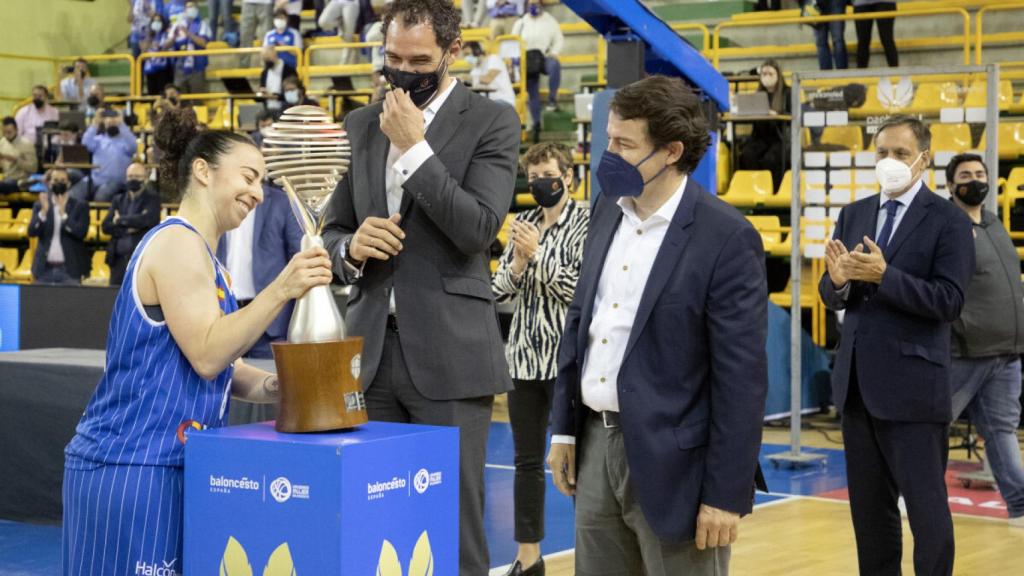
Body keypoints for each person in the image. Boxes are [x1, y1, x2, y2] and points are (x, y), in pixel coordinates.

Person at [60, 107, 333, 576]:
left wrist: (279, 387)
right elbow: (208, 354)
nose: (256, 192)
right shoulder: (177, 244)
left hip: (177, 464)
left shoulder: (212, 262)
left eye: (262, 182)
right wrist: (283, 288)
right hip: (132, 465)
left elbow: (223, 363)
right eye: (248, 176)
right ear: (203, 171)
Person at [320, 1, 521, 573]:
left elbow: (478, 229)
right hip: (368, 351)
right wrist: (349, 248)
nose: (403, 71)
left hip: (450, 354)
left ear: (453, 52)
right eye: (392, 58)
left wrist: (414, 147)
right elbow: (332, 229)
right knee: (370, 522)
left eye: (419, 60)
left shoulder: (492, 121)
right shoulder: (361, 123)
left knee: (451, 528)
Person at [546, 75, 768, 576]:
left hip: (679, 464)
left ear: (670, 151)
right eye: (609, 139)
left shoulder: (726, 237)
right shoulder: (605, 209)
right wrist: (563, 427)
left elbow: (742, 380)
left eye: (624, 144)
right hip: (595, 446)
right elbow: (580, 323)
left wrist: (725, 494)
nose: (609, 154)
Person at [819, 115, 974, 575]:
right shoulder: (855, 212)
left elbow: (949, 301)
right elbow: (834, 293)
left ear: (924, 160)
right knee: (869, 517)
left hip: (912, 392)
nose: (889, 162)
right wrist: (840, 283)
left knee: (927, 517)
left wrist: (887, 278)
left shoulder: (947, 220)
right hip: (856, 390)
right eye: (882, 152)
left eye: (901, 154)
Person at [491, 142, 589, 576]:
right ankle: (527, 557)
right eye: (532, 179)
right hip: (525, 357)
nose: (540, 185)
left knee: (583, 462)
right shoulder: (525, 221)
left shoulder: (586, 221)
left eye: (548, 175)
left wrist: (537, 256)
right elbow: (499, 290)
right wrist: (516, 263)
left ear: (567, 176)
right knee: (526, 461)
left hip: (569, 359)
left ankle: (596, 552)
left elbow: (578, 289)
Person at [945, 153, 1024, 529]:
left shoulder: (994, 223)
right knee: (931, 426)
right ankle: (910, 493)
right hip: (963, 352)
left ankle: (1020, 507)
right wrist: (961, 326)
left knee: (1002, 431)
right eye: (965, 175)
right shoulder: (946, 226)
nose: (974, 180)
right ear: (950, 185)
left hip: (1005, 354)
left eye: (979, 174)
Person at [102, 162, 162, 285]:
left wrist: (119, 220)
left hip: (140, 260)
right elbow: (106, 226)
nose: (133, 180)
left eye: (137, 177)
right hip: (117, 260)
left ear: (145, 179)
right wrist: (132, 226)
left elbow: (149, 220)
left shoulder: (152, 199)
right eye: (130, 176)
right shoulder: (118, 199)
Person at [28, 168, 90, 284]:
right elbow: (32, 231)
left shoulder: (80, 206)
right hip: (43, 269)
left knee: (71, 302)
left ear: (69, 183)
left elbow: (81, 232)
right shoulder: (40, 205)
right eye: (55, 180)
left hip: (70, 269)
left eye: (62, 180)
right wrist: (43, 212)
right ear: (49, 183)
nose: (59, 183)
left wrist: (64, 215)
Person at [512, 0, 562, 141]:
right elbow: (512, 40)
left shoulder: (549, 21)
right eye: (531, 4)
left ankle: (552, 99)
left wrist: (554, 52)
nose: (534, 7)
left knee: (554, 65)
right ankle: (536, 124)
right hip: (527, 60)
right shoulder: (520, 23)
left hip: (543, 56)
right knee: (532, 92)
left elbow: (559, 38)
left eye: (536, 3)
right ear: (527, 6)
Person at [738, 59, 791, 189]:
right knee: (747, 154)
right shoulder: (758, 95)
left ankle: (773, 190)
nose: (766, 77)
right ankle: (754, 189)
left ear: (778, 75)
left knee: (771, 158)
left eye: (770, 74)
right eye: (764, 74)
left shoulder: (788, 93)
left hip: (780, 138)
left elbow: (793, 115)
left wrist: (777, 115)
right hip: (760, 138)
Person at [71, 108, 138, 202]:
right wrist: (95, 123)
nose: (111, 124)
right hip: (94, 179)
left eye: (113, 123)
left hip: (115, 181)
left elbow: (133, 147)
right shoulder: (98, 140)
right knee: (73, 195)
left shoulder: (125, 141)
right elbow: (85, 143)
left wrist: (121, 123)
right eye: (108, 123)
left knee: (101, 197)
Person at [171, 1, 212, 94]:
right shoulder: (178, 25)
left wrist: (188, 33)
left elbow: (203, 43)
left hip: (197, 68)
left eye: (193, 7)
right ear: (185, 10)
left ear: (197, 9)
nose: (191, 9)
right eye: (188, 7)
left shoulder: (203, 24)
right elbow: (170, 44)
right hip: (180, 68)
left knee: (197, 100)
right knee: (180, 102)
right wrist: (172, 38)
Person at [463, 41, 515, 107]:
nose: (466, 58)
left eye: (468, 54)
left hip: (504, 101)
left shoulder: (493, 59)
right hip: (489, 102)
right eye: (465, 55)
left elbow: (487, 79)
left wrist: (467, 77)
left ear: (477, 51)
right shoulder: (475, 70)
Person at [853, 0, 898, 68]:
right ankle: (861, 75)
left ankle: (896, 73)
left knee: (887, 39)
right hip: (861, 3)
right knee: (862, 41)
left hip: (885, 2)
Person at [0, 117, 39, 195]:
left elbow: (33, 168)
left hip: (21, 180)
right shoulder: (2, 143)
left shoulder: (26, 144)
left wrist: (16, 160)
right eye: (4, 133)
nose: (7, 135)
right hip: (6, 178)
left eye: (9, 132)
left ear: (16, 130)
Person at [141, 13, 176, 96]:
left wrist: (161, 46)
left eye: (159, 21)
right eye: (154, 21)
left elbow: (170, 43)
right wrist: (149, 40)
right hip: (150, 70)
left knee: (163, 94)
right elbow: (143, 52)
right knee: (152, 94)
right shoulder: (148, 36)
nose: (156, 23)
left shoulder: (167, 34)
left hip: (164, 69)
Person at [810, 0, 850, 70]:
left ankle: (841, 74)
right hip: (815, 4)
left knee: (836, 41)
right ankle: (830, 75)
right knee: (824, 42)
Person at [240, 0, 275, 67]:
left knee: (267, 39)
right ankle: (243, 67)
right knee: (245, 38)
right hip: (247, 3)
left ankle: (267, 69)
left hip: (266, 3)